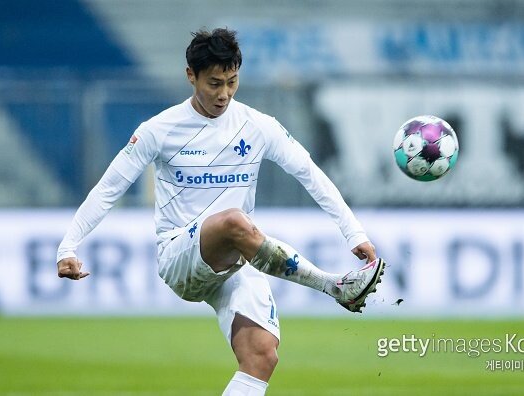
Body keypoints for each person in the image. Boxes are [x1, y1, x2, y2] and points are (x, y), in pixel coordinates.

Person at [56, 28, 385, 395]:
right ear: (190, 76)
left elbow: (311, 175)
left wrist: (355, 232)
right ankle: (332, 286)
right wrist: (68, 247)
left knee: (262, 356)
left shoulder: (258, 125)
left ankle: (332, 290)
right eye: (214, 83)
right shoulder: (158, 130)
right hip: (180, 254)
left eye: (232, 81)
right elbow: (108, 189)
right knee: (232, 221)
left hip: (236, 261)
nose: (224, 94)